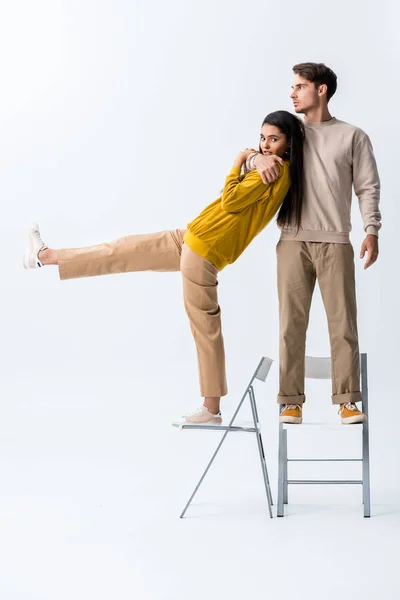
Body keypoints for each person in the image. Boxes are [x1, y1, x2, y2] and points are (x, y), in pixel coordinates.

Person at [23, 110, 305, 425]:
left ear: (289, 143)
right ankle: (46, 256)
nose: (266, 145)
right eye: (263, 138)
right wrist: (252, 158)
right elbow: (248, 175)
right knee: (121, 249)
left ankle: (211, 409)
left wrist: (240, 162)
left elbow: (229, 200)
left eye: (274, 139)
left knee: (205, 329)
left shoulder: (275, 171)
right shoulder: (268, 164)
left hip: (202, 250)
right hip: (189, 237)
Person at [249, 63, 381, 425]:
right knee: (291, 324)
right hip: (291, 240)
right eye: (292, 87)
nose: (292, 93)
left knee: (343, 324)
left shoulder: (352, 136)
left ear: (321, 90)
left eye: (300, 86)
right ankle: (290, 400)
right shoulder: (289, 134)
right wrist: (256, 157)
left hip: (335, 241)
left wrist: (372, 230)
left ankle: (348, 400)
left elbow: (367, 187)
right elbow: (252, 155)